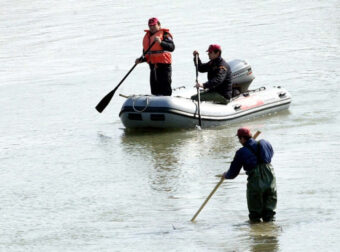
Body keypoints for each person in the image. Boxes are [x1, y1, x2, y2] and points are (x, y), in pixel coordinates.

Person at [222, 127, 277, 223]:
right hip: (270, 179)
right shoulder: (265, 143)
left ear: (243, 138)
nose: (239, 141)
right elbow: (271, 155)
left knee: (255, 215)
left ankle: (256, 234)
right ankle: (270, 234)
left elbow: (233, 173)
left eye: (239, 139)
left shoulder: (241, 152)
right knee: (269, 213)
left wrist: (226, 175)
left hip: (255, 183)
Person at [135, 17, 175, 96]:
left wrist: (161, 42)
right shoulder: (148, 37)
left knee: (165, 89)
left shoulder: (164, 34)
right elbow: (146, 54)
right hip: (153, 68)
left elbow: (171, 47)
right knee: (154, 90)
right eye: (150, 26)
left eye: (154, 25)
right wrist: (141, 60)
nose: (152, 27)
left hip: (164, 67)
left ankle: (166, 103)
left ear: (159, 25)